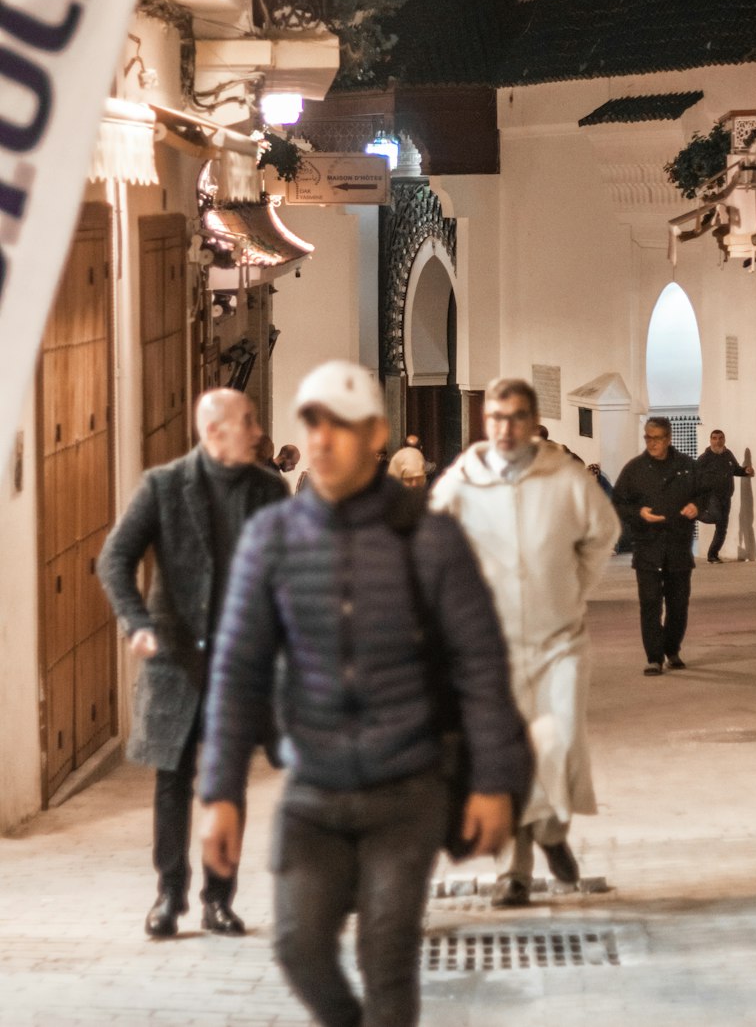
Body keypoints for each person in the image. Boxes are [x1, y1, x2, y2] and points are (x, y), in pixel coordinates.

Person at [200, 360, 532, 1027]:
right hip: (313, 788)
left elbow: (479, 666)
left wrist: (494, 781)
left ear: (376, 435)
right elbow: (238, 669)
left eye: (341, 426)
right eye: (312, 424)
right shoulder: (273, 540)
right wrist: (221, 794)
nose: (322, 440)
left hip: (405, 789)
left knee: (387, 952)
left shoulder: (429, 537)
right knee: (297, 947)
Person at [97, 389, 287, 939]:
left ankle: (218, 900)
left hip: (240, 661)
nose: (256, 431)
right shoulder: (163, 486)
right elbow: (115, 558)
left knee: (228, 786)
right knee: (172, 780)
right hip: (176, 661)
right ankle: (169, 895)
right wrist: (137, 623)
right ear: (214, 432)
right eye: (247, 422)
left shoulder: (268, 489)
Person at [431, 377, 619, 908]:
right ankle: (513, 871)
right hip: (491, 649)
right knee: (504, 758)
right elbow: (431, 544)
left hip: (560, 640)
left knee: (556, 746)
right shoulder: (462, 482)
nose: (503, 428)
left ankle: (553, 835)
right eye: (494, 417)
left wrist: (574, 586)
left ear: (533, 423)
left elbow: (602, 534)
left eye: (514, 418)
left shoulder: (565, 478)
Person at [612, 417, 710, 675]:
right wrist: (639, 512)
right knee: (650, 603)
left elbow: (705, 493)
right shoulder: (634, 470)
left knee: (678, 604)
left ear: (668, 439)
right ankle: (653, 657)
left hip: (678, 545)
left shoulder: (687, 467)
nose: (651, 443)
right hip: (648, 546)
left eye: (656, 438)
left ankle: (672, 649)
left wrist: (696, 506)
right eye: (648, 437)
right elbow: (618, 503)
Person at [697, 429, 755, 563]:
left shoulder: (728, 454)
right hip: (711, 495)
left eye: (720, 438)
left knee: (722, 527)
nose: (718, 441)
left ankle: (712, 555)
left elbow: (735, 469)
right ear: (710, 440)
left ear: (724, 439)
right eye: (715, 438)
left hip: (726, 496)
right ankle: (697, 514)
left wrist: (745, 470)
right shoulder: (704, 458)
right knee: (717, 517)